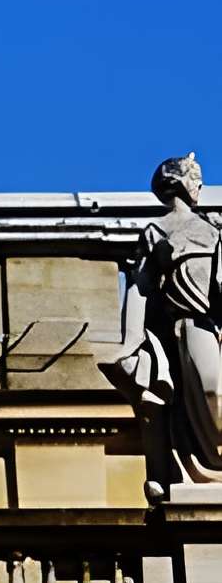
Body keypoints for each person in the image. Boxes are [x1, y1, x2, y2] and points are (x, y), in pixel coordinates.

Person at [100, 153, 222, 490]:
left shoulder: (213, 228)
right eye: (194, 176)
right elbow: (140, 288)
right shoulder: (156, 231)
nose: (200, 184)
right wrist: (129, 342)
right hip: (188, 325)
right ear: (177, 182)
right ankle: (205, 465)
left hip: (213, 324)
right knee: (212, 393)